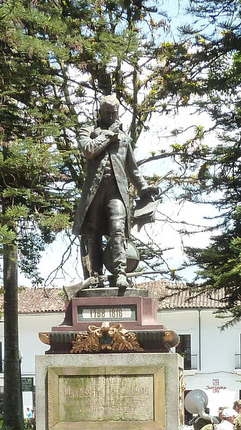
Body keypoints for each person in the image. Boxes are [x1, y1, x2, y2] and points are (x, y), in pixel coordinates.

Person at [72, 94, 156, 287]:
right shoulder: (88, 131)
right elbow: (88, 150)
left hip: (116, 192)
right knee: (93, 235)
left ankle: (120, 274)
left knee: (118, 229)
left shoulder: (125, 139)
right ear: (100, 112)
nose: (111, 116)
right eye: (107, 112)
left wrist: (144, 188)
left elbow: (132, 169)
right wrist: (109, 135)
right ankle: (96, 277)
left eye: (114, 112)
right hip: (94, 194)